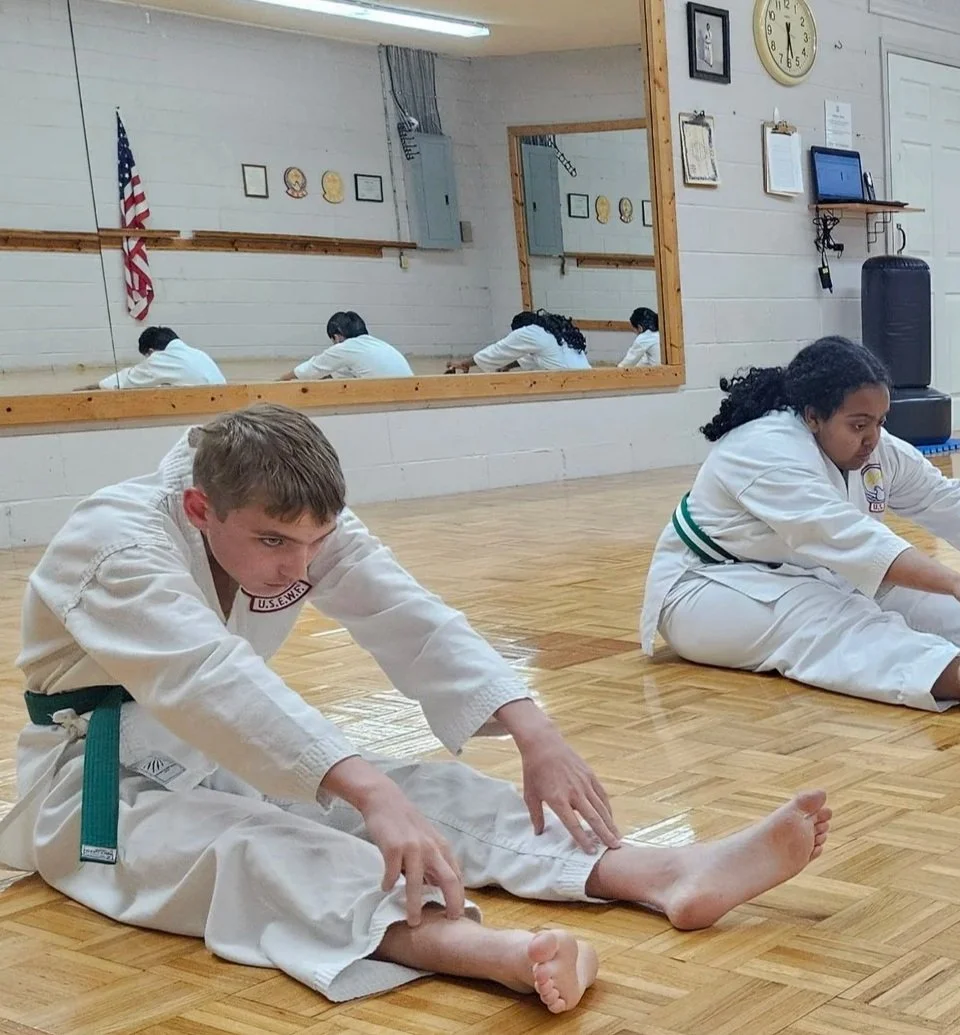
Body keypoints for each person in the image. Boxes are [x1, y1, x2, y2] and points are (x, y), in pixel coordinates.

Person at [0, 404, 829, 1012]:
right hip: (99, 786)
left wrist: (531, 727)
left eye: (314, 543)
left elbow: (410, 615)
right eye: (275, 544)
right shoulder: (115, 544)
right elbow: (210, 676)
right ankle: (483, 949)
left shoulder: (293, 516)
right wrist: (366, 794)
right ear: (198, 509)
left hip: (214, 752)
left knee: (433, 793)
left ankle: (656, 872)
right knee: (260, 843)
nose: (300, 563)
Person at [639, 336, 960, 715]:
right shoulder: (764, 450)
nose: (872, 438)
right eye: (858, 425)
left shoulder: (874, 449)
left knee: (912, 596)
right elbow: (850, 537)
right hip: (704, 590)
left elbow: (953, 504)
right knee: (824, 612)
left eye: (880, 422)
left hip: (801, 573)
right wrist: (957, 579)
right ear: (813, 414)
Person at [282, 312, 413, 381]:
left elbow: (311, 368)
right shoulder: (378, 344)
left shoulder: (345, 347)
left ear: (337, 336)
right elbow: (332, 372)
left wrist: (281, 380)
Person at [88, 326, 226, 391]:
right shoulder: (199, 354)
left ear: (151, 352)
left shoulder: (159, 359)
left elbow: (125, 380)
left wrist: (87, 388)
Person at [449, 312, 590, 373]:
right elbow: (530, 358)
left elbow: (498, 351)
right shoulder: (555, 332)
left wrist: (465, 363)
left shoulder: (531, 331)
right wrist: (507, 366)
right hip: (589, 377)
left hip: (570, 382)